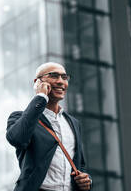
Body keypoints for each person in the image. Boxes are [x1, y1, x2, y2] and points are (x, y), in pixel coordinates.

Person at [6, 62, 92, 191]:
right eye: (53, 76)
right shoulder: (20, 118)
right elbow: (18, 139)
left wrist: (87, 180)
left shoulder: (73, 123)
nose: (60, 81)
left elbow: (80, 164)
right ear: (37, 82)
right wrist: (40, 97)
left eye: (64, 77)